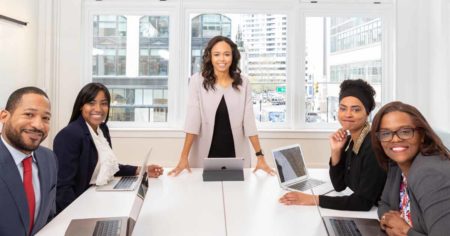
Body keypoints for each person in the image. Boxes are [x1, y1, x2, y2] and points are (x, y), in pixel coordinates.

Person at [168, 35, 275, 176]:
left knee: (237, 195)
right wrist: (183, 157)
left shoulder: (244, 83)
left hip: (236, 155)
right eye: (216, 54)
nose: (222, 59)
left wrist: (260, 157)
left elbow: (249, 122)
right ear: (210, 57)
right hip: (204, 154)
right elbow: (192, 121)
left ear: (233, 57)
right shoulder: (196, 81)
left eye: (227, 54)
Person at [54, 83, 163, 213]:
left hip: (96, 196)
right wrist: (76, 216)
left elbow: (107, 166)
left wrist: (140, 170)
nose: (98, 109)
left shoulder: (102, 129)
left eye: (104, 103)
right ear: (81, 106)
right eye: (91, 103)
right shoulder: (69, 135)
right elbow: (63, 189)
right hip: (80, 205)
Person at [279, 79, 387, 211]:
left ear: (367, 113)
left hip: (378, 215)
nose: (347, 114)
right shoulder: (351, 141)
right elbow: (339, 185)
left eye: (356, 109)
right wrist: (336, 151)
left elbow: (363, 203)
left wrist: (313, 199)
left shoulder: (373, 146)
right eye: (343, 108)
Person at [371, 101, 450, 236]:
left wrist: (405, 231)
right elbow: (384, 204)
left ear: (422, 136)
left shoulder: (431, 174)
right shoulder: (396, 165)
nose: (395, 140)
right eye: (385, 133)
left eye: (405, 131)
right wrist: (387, 220)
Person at [0, 87, 58, 235]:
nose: (38, 125)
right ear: (4, 116)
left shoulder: (49, 159)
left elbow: (49, 215)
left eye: (45, 118)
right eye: (29, 114)